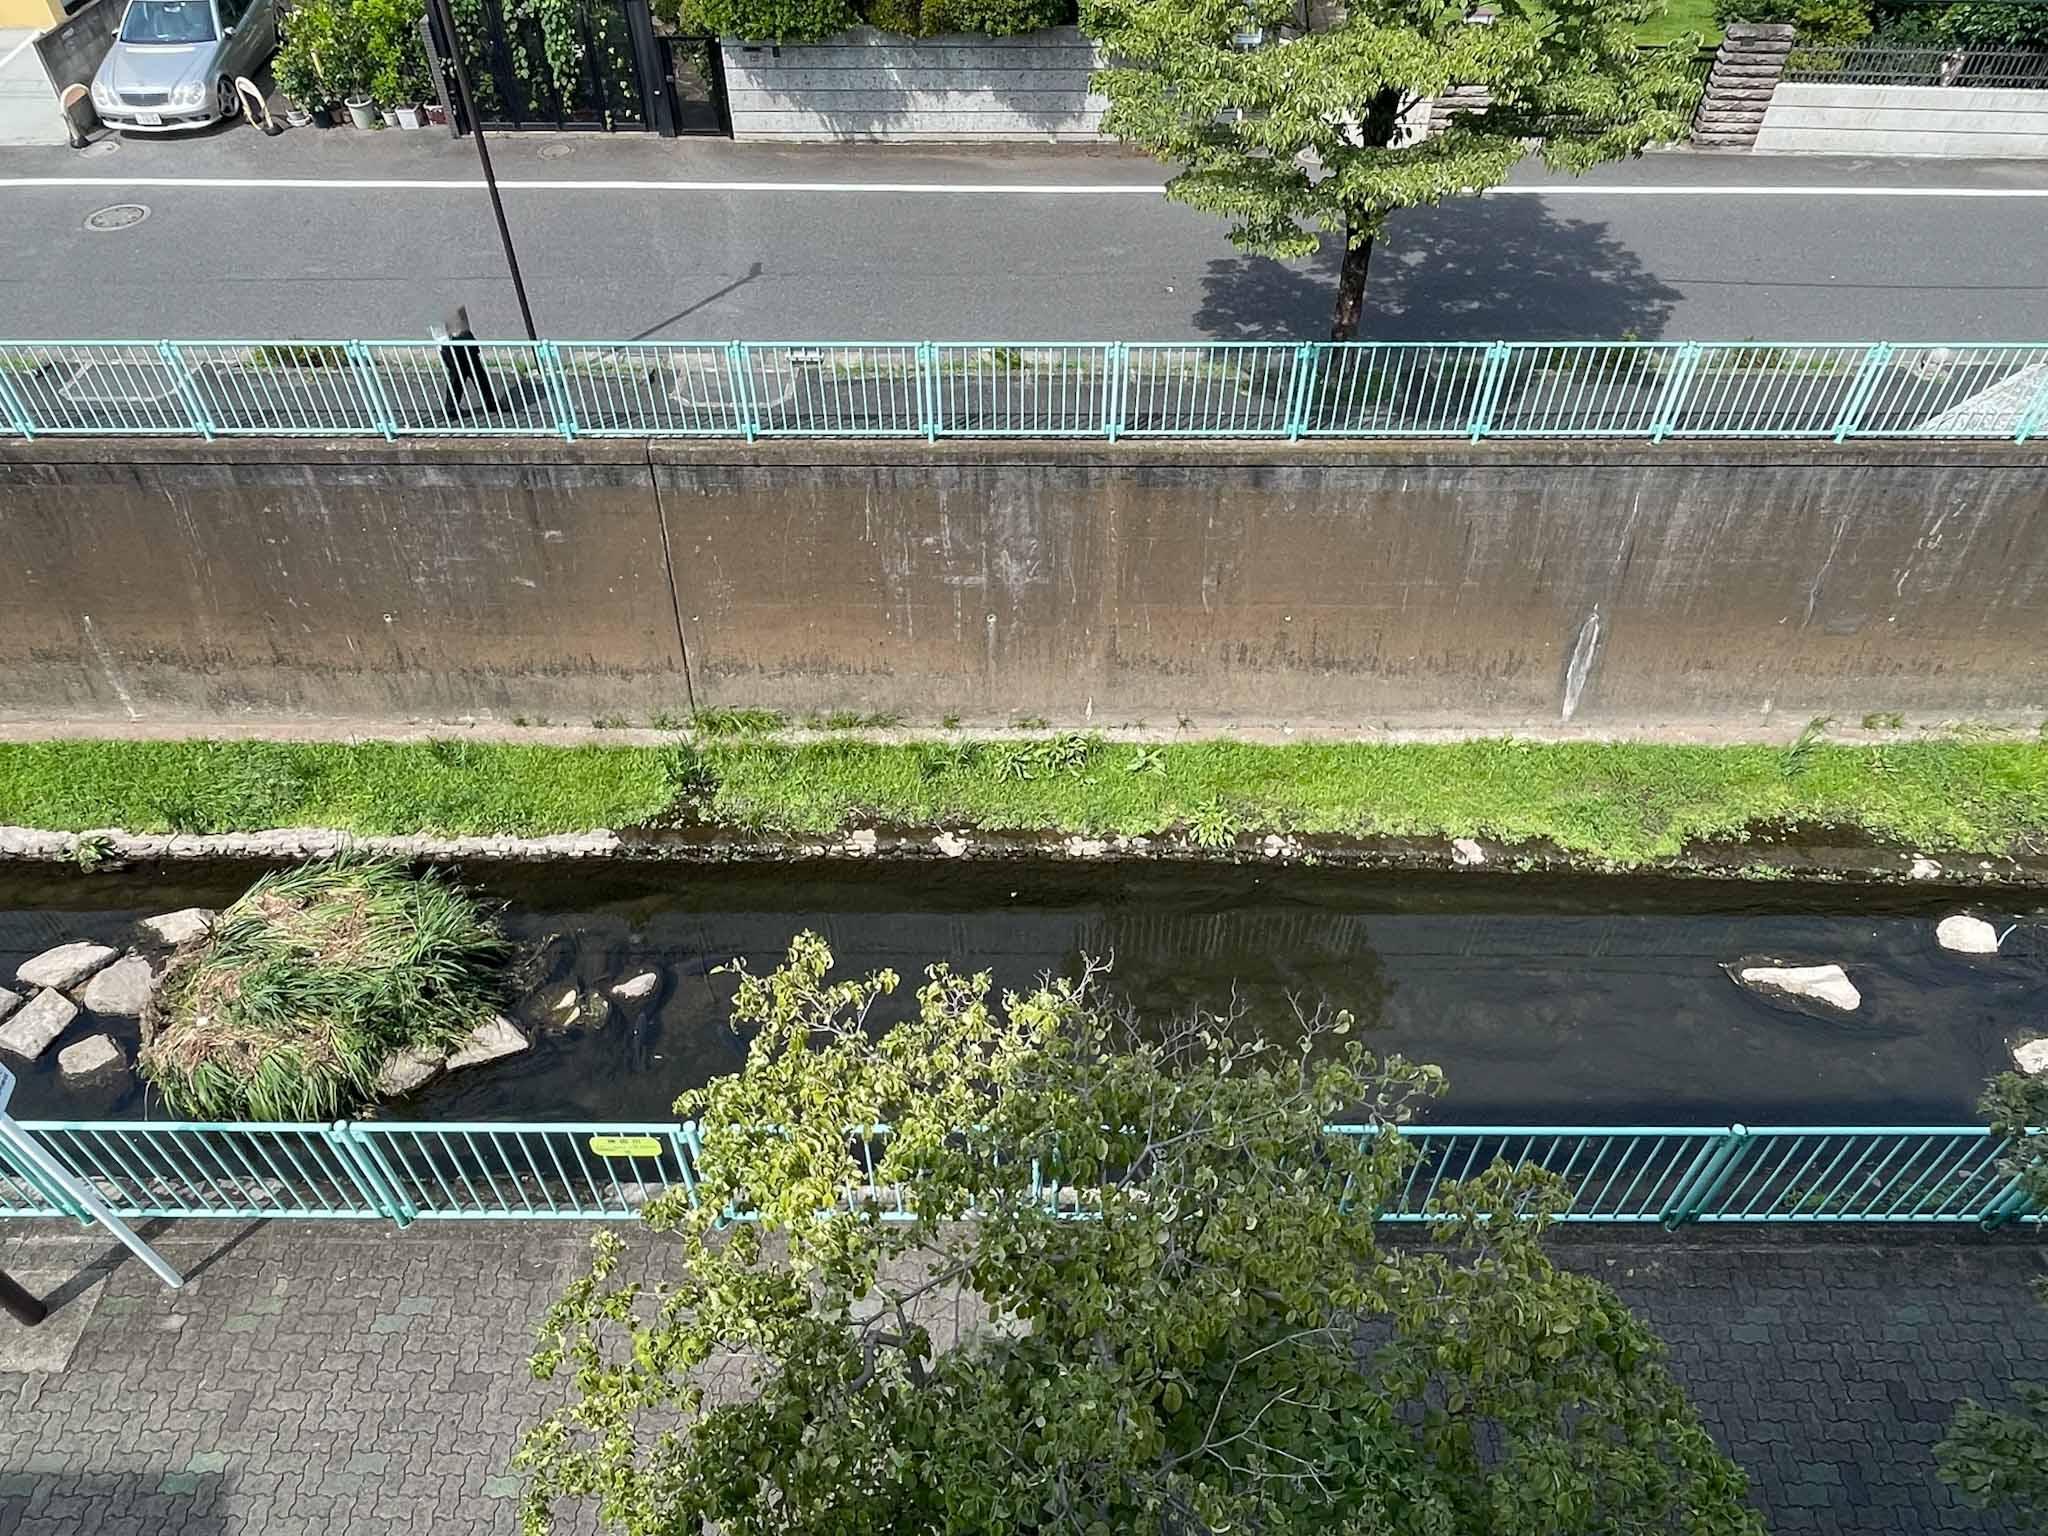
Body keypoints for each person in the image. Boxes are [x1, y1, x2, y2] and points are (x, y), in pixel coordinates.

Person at [434, 305, 500, 418]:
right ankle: (452, 407)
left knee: (476, 372)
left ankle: (490, 402)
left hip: (460, 338)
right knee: (460, 375)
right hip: (450, 343)